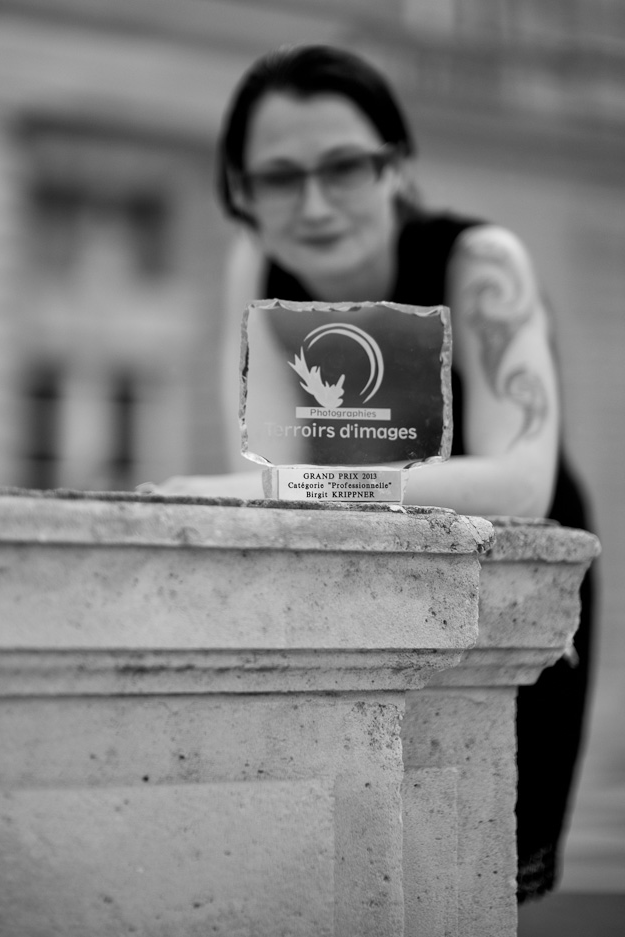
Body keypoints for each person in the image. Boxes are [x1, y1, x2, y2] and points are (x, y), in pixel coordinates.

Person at [147, 44, 595, 901]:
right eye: (278, 178)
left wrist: (262, 491)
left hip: (498, 581)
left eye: (344, 166)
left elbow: (519, 485)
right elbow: (259, 455)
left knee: (466, 874)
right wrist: (271, 488)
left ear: (398, 165)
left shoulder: (480, 260)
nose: (312, 203)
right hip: (345, 567)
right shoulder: (255, 264)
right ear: (239, 193)